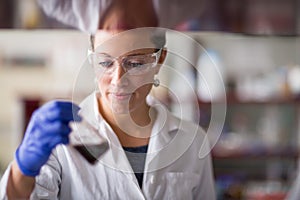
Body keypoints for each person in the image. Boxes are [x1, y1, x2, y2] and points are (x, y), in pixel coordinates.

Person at [0, 1, 216, 199]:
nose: (118, 80)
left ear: (160, 59)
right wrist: (22, 170)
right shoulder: (64, 139)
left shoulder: (192, 141)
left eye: (136, 63)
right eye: (105, 63)